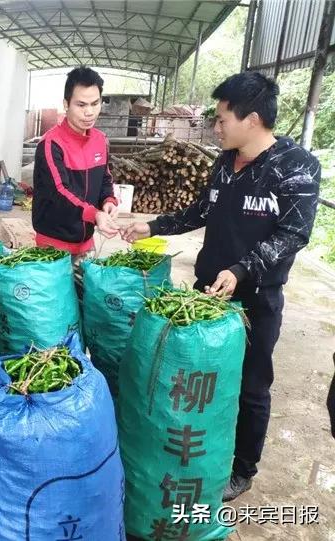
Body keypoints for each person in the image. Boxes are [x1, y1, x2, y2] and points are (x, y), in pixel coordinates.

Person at [122, 71, 321, 501]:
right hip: (208, 291)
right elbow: (200, 212)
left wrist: (243, 269)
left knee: (252, 385)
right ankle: (198, 450)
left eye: (222, 119)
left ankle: (242, 469)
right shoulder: (223, 164)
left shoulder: (297, 166)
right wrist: (152, 224)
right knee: (200, 377)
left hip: (255, 298)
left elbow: (293, 234)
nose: (216, 127)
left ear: (251, 119)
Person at [31, 66, 120, 273]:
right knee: (56, 304)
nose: (89, 112)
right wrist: (93, 214)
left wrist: (108, 201)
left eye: (95, 103)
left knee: (84, 301)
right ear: (66, 104)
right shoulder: (51, 144)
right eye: (81, 104)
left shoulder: (100, 140)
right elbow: (59, 192)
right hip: (53, 247)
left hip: (86, 244)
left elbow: (105, 179)